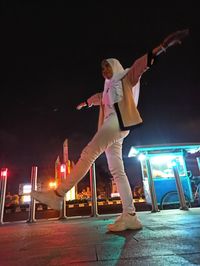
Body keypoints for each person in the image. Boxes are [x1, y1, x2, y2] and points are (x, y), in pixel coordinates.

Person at [31, 29, 189, 232]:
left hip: (117, 123)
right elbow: (100, 97)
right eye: (103, 70)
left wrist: (163, 46)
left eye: (107, 68)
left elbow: (142, 65)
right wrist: (86, 103)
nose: (105, 72)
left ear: (114, 66)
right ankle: (130, 215)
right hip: (115, 128)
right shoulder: (108, 87)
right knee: (117, 171)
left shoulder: (126, 76)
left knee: (88, 153)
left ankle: (58, 195)